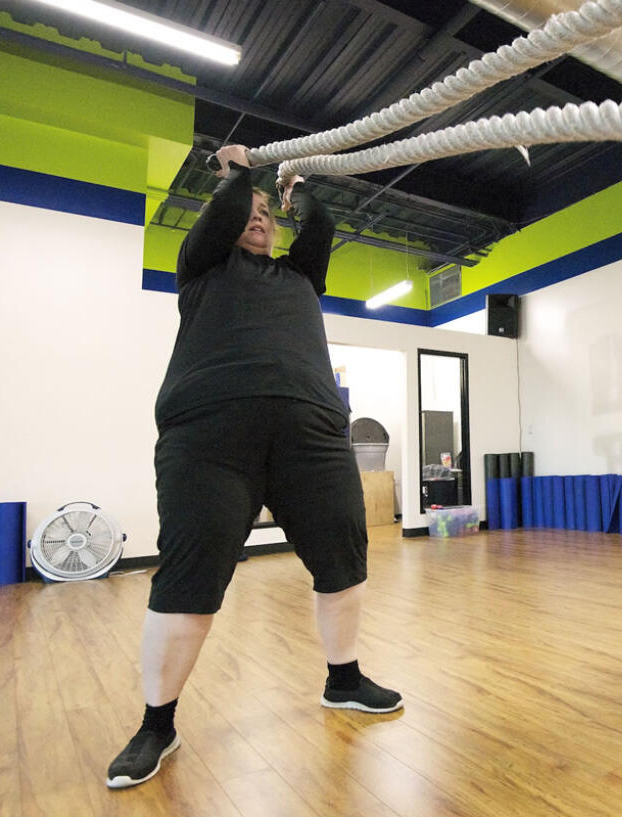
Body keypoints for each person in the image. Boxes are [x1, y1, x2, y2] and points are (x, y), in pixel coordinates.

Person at [106, 145, 401, 790]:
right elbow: (229, 207)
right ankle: (157, 723)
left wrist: (297, 192)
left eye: (270, 213)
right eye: (252, 211)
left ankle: (343, 679)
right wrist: (239, 175)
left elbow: (319, 231)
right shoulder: (202, 268)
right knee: (191, 574)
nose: (259, 218)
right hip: (209, 439)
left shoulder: (301, 279)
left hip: (314, 439)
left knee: (344, 558)